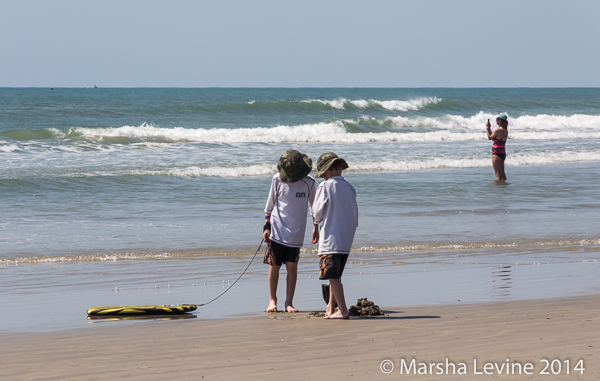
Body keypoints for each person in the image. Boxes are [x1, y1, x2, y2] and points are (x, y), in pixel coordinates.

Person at [263, 149, 318, 313]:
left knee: (292, 267)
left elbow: (314, 207)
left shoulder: (309, 182)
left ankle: (289, 302)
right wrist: (266, 227)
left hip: (296, 233)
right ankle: (272, 300)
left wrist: (316, 227)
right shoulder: (277, 180)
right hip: (277, 231)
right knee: (274, 266)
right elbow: (269, 206)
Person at [312, 152, 358, 319]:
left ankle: (343, 310)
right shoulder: (350, 188)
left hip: (330, 239)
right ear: (340, 168)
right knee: (335, 277)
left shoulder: (325, 186)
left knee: (332, 276)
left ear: (324, 172)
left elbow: (317, 213)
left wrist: (315, 224)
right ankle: (331, 307)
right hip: (346, 239)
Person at [486, 113, 509, 181]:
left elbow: (490, 137)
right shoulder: (505, 130)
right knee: (502, 174)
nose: (496, 120)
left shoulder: (498, 130)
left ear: (501, 120)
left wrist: (488, 128)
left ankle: (498, 190)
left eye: (497, 119)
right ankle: (504, 188)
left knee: (497, 174)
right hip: (502, 153)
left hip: (496, 154)